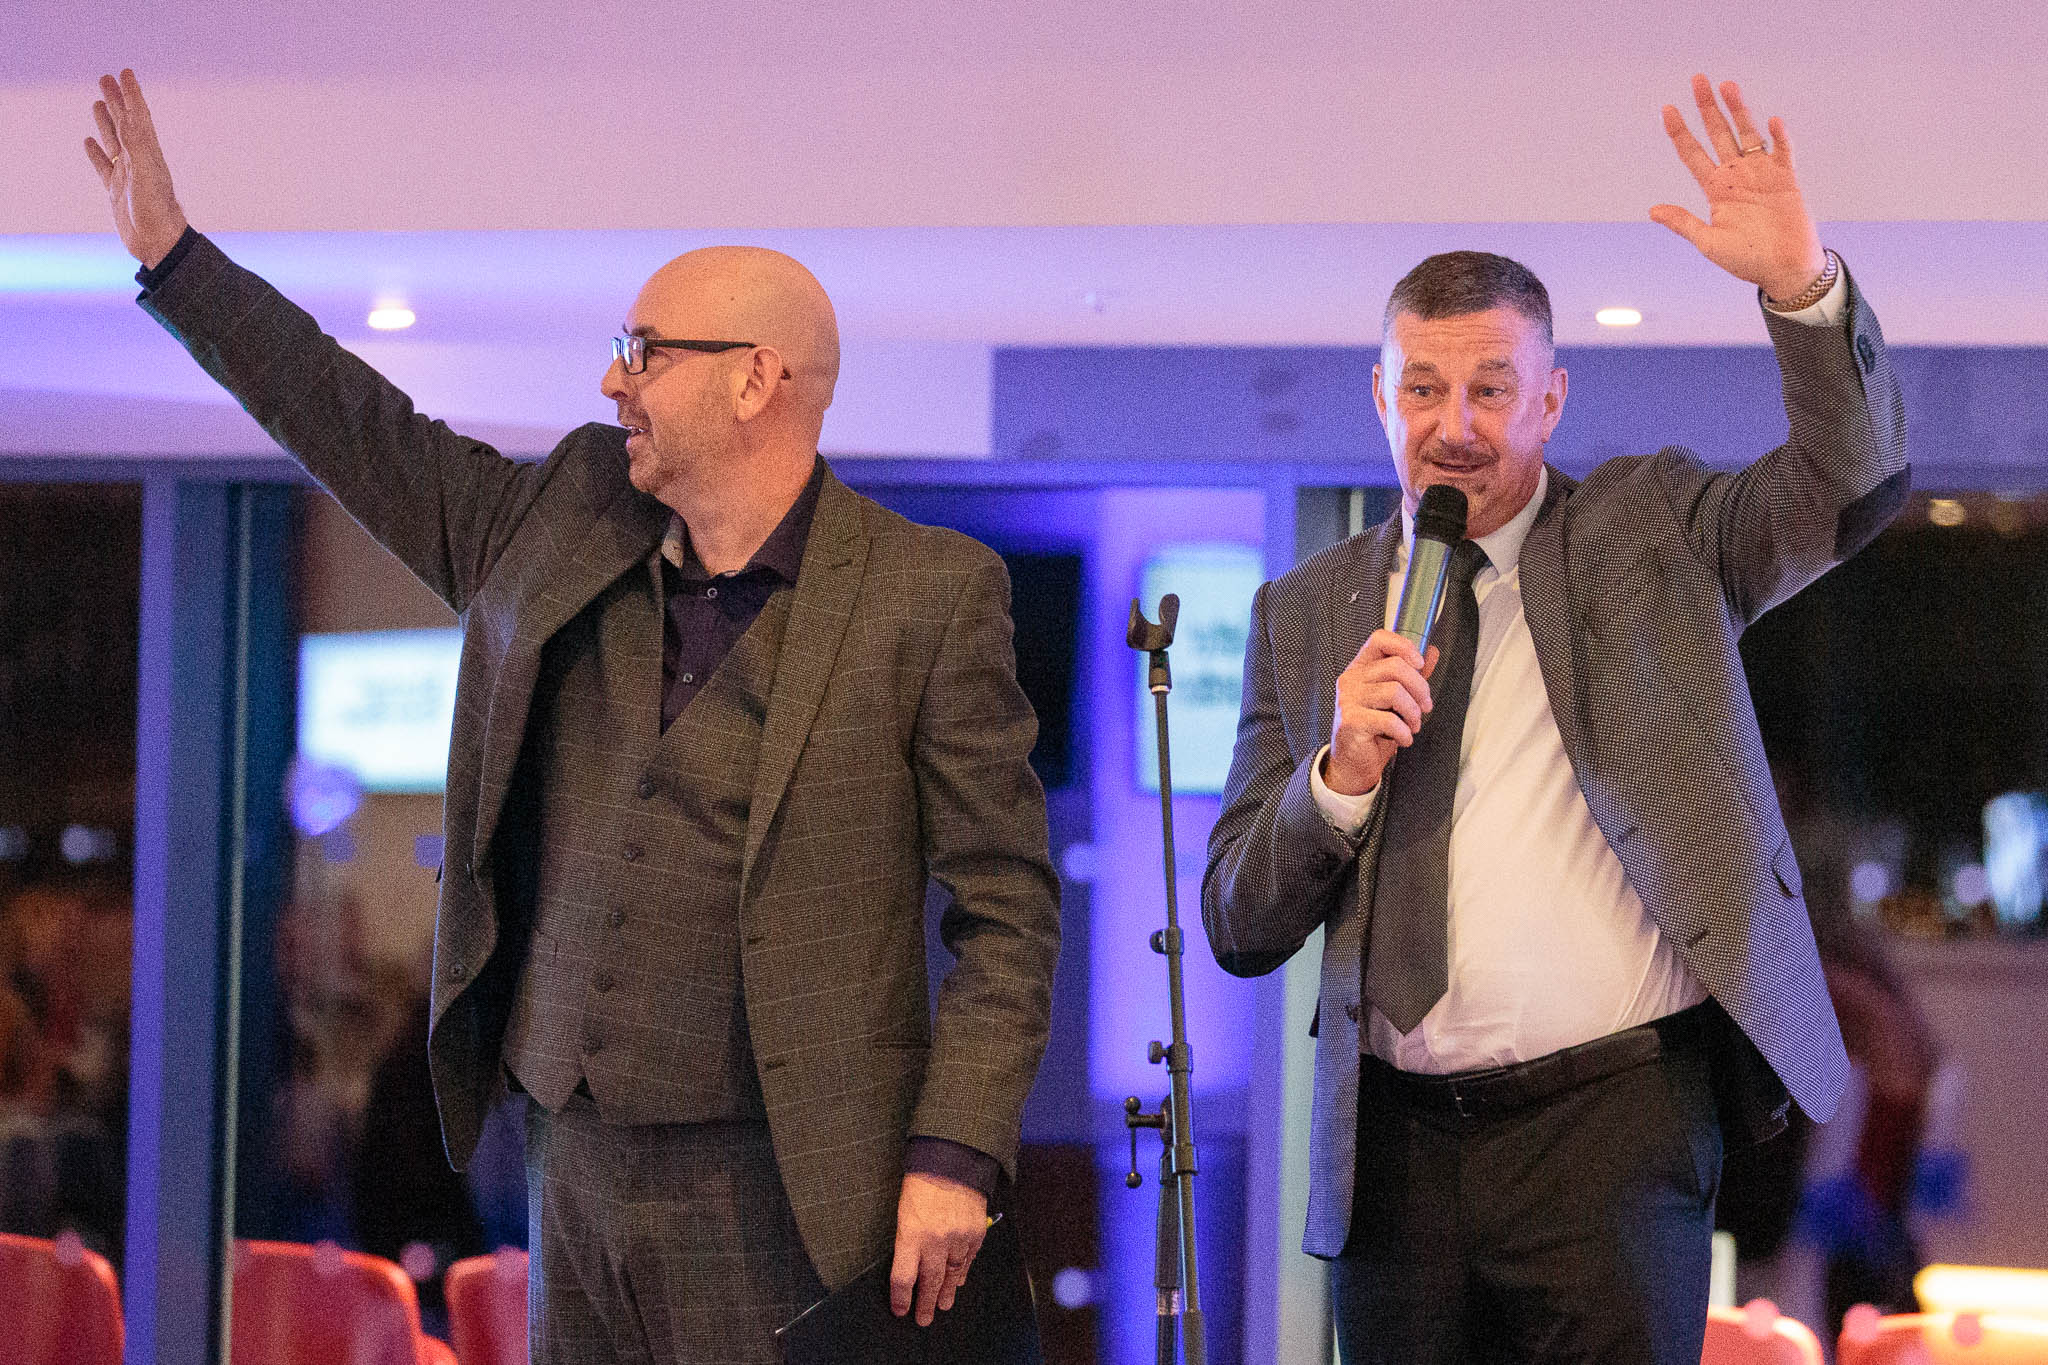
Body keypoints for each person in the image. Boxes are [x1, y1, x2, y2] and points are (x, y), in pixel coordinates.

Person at [85, 68, 1060, 1365]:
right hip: (569, 1161)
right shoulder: (563, 523)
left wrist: (956, 1149)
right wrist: (175, 262)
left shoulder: (925, 596)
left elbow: (1007, 908)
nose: (613, 379)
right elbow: (359, 429)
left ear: (756, 380)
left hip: (781, 1184)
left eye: (645, 351)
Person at [1202, 74, 1908, 1364]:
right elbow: (1239, 921)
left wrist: (1803, 289)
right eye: (1424, 390)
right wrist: (1336, 777)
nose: (1455, 427)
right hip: (1395, 1158)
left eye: (1491, 389)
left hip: (1614, 1130)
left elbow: (1848, 488)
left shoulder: (1652, 533)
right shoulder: (1304, 614)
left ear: (1552, 399)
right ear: (1380, 398)